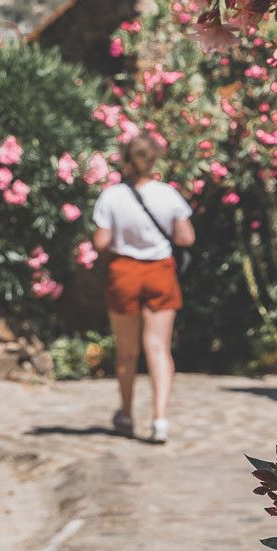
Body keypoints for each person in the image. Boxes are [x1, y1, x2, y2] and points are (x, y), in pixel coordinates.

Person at [92, 131, 195, 444]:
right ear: (154, 160)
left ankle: (125, 413)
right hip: (159, 273)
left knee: (127, 351)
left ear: (125, 160)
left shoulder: (111, 196)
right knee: (158, 348)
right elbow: (186, 238)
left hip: (124, 273)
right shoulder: (168, 194)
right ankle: (160, 419)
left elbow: (100, 242)